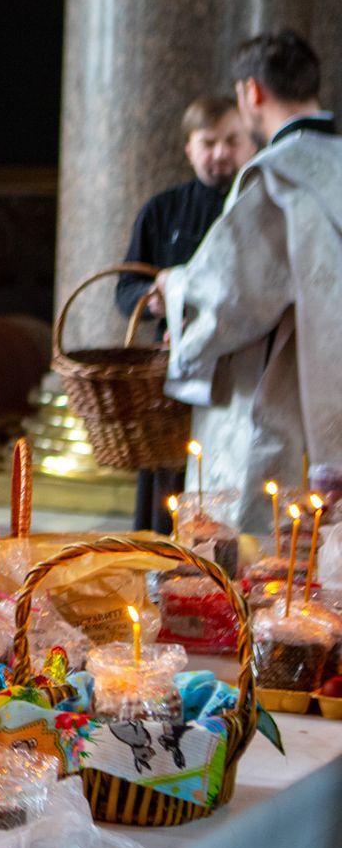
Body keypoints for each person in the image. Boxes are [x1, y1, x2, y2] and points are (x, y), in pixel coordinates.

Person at [158, 30, 342, 537]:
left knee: (263, 562)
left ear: (252, 93)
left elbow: (230, 297)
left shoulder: (276, 176)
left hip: (282, 395)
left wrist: (175, 289)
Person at [114, 95, 257, 531]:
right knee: (166, 488)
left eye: (232, 140)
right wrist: (156, 298)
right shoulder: (161, 210)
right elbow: (126, 290)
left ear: (250, 142)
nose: (220, 153)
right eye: (208, 142)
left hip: (240, 376)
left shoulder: (260, 206)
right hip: (172, 373)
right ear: (188, 149)